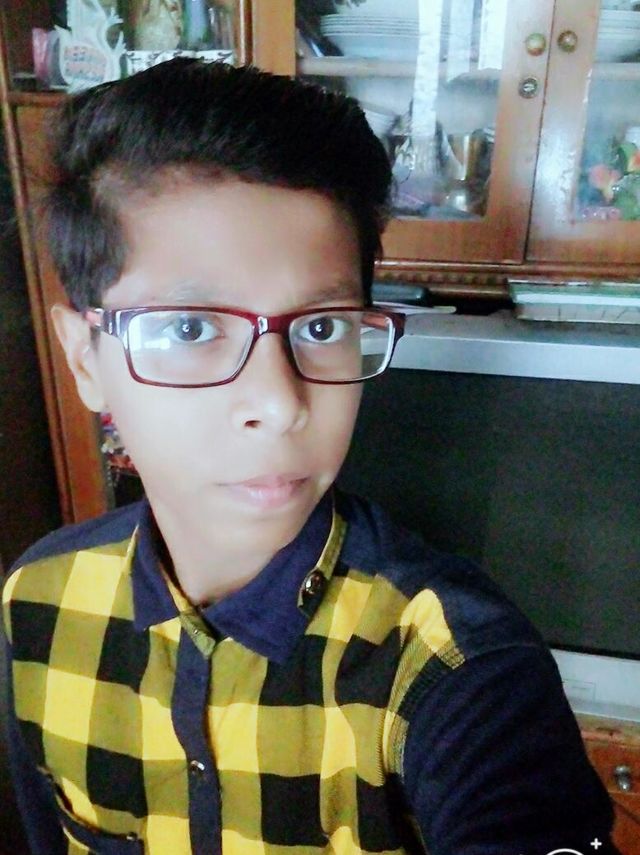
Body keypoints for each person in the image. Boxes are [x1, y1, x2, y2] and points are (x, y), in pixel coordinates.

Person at [2, 58, 619, 855]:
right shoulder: (38, 603)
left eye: (323, 327)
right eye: (190, 327)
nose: (281, 401)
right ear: (84, 357)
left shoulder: (454, 663)